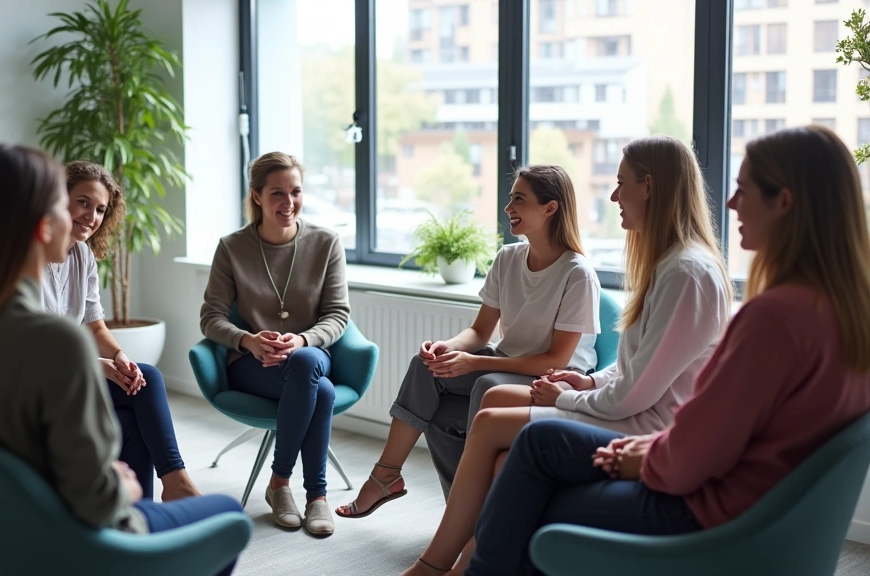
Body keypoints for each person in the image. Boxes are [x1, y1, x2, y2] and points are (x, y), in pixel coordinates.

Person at [465, 125, 870, 576]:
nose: (732, 204)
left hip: (715, 509)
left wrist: (646, 458)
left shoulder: (775, 317)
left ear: (784, 202)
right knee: (523, 454)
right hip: (764, 508)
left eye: (743, 189)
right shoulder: (844, 310)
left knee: (535, 456)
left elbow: (704, 441)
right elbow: (728, 428)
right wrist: (653, 446)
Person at [0, 145, 242, 576]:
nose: (85, 218)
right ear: (44, 224)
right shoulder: (54, 343)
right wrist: (118, 484)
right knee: (227, 516)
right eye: (70, 205)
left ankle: (159, 499)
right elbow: (94, 502)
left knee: (138, 409)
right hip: (55, 544)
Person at [403, 136, 735, 575]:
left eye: (621, 184)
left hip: (649, 423)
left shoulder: (686, 274)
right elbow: (643, 362)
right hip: (635, 406)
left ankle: (439, 565)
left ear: (649, 187)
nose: (614, 196)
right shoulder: (669, 265)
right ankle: (464, 557)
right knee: (496, 408)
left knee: (487, 421)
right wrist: (590, 381)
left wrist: (561, 398)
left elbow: (635, 395)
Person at [338, 165, 601, 520]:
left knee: (480, 389)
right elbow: (479, 332)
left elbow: (553, 359)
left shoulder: (577, 274)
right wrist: (449, 347)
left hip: (555, 378)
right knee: (426, 368)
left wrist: (475, 362)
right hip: (508, 362)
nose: (508, 208)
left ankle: (471, 518)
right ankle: (391, 479)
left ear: (550, 208)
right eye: (510, 199)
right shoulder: (508, 258)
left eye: (519, 200)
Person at [200, 151, 349, 536]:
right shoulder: (232, 247)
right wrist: (247, 340)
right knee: (325, 394)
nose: (289, 203)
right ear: (257, 196)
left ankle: (280, 483)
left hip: (311, 355)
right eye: (277, 194)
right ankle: (315, 496)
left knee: (305, 364)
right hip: (254, 363)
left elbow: (338, 315)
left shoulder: (326, 242)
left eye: (295, 192)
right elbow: (210, 318)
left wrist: (302, 339)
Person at [41, 161, 198, 502]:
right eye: (83, 202)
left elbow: (95, 325)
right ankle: (174, 484)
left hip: (72, 374)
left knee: (138, 394)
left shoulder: (82, 255)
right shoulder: (27, 260)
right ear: (58, 199)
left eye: (100, 209)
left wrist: (119, 355)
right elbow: (37, 347)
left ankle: (146, 505)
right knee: (148, 384)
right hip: (43, 382)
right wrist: (98, 364)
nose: (92, 216)